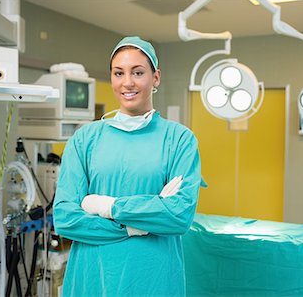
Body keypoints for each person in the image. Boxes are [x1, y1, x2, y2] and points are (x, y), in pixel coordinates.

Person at [53, 36, 202, 296]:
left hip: (153, 277)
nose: (127, 82)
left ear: (155, 77)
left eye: (138, 72)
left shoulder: (179, 139)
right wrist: (140, 223)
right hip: (93, 275)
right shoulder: (85, 139)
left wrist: (107, 206)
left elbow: (178, 216)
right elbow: (66, 219)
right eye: (118, 73)